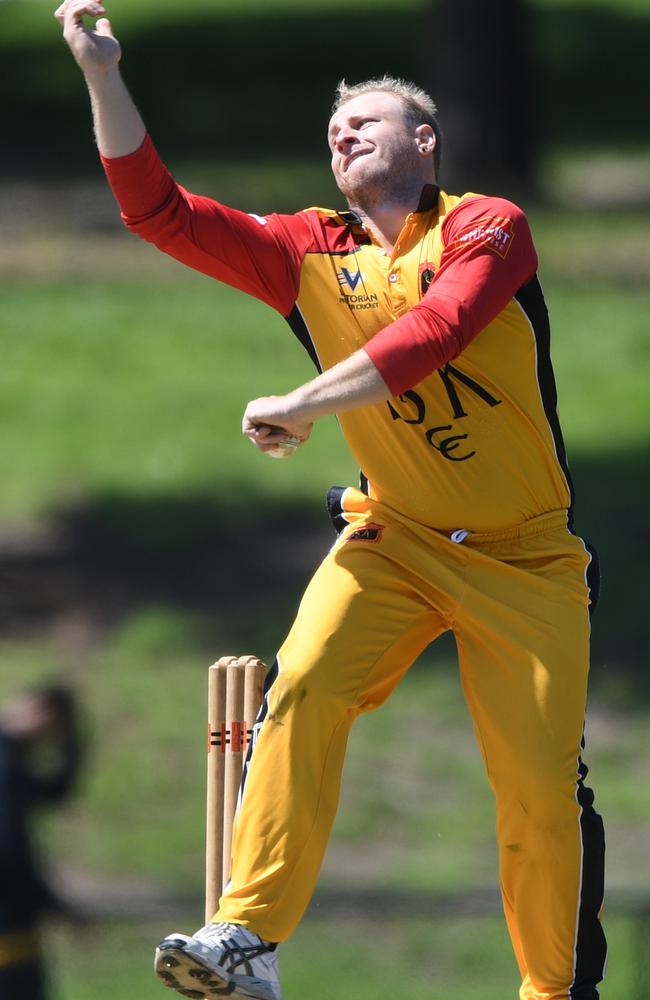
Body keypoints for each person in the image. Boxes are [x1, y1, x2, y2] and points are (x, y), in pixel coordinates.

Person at [56, 3, 607, 998]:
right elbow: (158, 213)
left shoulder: (486, 224)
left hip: (524, 560)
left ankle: (548, 989)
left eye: (367, 119)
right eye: (331, 132)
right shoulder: (306, 247)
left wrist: (302, 403)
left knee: (535, 796)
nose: (341, 133)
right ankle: (247, 938)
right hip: (391, 536)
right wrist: (102, 74)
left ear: (423, 141)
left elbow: (433, 332)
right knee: (301, 686)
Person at [0, 685, 84, 1000]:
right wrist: (54, 905)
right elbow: (9, 849)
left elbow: (54, 790)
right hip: (9, 925)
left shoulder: (11, 759)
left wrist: (73, 744)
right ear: (43, 712)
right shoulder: (5, 762)